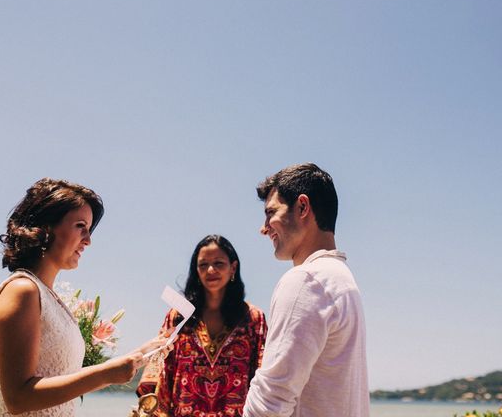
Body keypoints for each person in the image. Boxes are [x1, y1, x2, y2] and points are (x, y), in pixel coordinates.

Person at [0, 178, 167, 416]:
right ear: (46, 226)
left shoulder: (47, 297)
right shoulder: (23, 291)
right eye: (80, 226)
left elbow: (61, 380)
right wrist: (105, 373)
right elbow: (18, 398)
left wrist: (140, 355)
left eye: (89, 229)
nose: (88, 239)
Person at [243, 163, 370, 417]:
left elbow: (269, 403)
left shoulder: (306, 281)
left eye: (271, 213)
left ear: (302, 207)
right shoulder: (341, 280)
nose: (264, 227)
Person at [136, 234, 267, 417]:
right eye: (203, 265)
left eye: (219, 263)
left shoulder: (253, 318)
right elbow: (159, 368)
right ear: (196, 270)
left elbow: (262, 373)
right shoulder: (178, 317)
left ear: (233, 268)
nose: (210, 270)